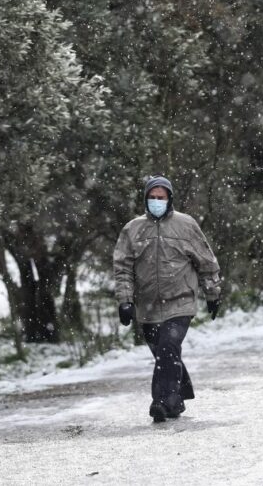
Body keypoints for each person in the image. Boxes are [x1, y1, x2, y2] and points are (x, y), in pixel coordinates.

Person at [113, 176, 223, 422]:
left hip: (180, 300)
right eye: (152, 197)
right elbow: (122, 268)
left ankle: (162, 402)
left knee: (168, 347)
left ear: (169, 199)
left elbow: (206, 261)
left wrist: (212, 293)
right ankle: (178, 396)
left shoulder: (186, 225)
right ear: (145, 199)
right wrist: (125, 300)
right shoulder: (133, 229)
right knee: (164, 354)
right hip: (148, 305)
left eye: (160, 198)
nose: (156, 202)